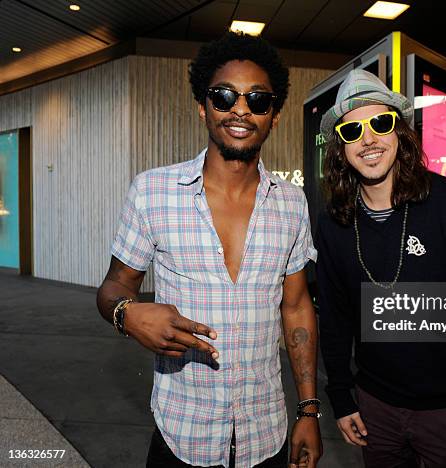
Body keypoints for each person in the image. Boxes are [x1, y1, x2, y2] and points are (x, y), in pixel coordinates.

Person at [96, 31, 322, 468]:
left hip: (266, 433)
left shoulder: (292, 204)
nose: (240, 109)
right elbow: (113, 288)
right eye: (224, 96)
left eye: (258, 100)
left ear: (273, 116)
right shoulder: (152, 192)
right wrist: (128, 314)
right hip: (182, 432)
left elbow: (296, 308)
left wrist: (309, 410)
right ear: (203, 105)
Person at [315, 69, 446, 468]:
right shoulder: (333, 222)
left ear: (400, 132)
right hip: (374, 409)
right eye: (352, 131)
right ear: (340, 148)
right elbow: (335, 319)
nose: (368, 139)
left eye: (380, 122)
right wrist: (341, 397)